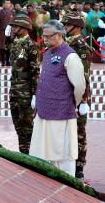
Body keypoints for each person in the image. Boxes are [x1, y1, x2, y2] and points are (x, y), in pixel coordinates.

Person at [29, 20, 86, 176]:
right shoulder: (47, 53)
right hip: (43, 111)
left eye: (48, 37)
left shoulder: (71, 56)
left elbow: (79, 86)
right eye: (44, 36)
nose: (45, 40)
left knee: (61, 153)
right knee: (43, 151)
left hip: (61, 112)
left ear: (59, 35)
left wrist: (72, 102)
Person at [61, 12, 92, 179]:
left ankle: (79, 167)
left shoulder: (80, 46)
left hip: (78, 96)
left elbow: (84, 75)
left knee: (79, 132)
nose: (65, 27)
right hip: (64, 93)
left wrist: (84, 100)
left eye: (67, 24)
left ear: (78, 27)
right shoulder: (64, 44)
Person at [9, 15, 40, 154]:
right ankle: (23, 152)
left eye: (16, 26)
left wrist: (35, 94)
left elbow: (35, 72)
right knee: (17, 124)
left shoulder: (31, 45)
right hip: (15, 89)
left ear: (24, 28)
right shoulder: (15, 43)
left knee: (27, 126)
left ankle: (31, 155)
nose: (13, 28)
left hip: (26, 91)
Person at [0, 0, 14, 66]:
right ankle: (3, 61)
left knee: (9, 47)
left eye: (9, 3)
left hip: (9, 32)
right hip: (2, 31)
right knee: (2, 47)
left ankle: (8, 61)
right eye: (6, 3)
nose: (8, 4)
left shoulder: (11, 12)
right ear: (3, 4)